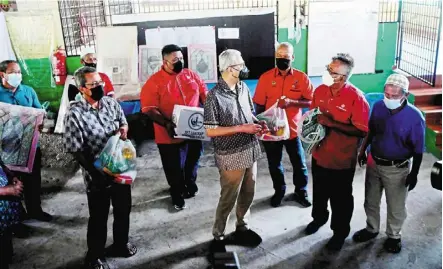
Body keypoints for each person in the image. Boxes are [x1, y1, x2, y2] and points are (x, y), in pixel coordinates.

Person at [63, 66, 136, 269]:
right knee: (99, 216)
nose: (99, 87)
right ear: (81, 89)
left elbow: (123, 122)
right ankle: (94, 255)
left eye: (100, 82)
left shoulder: (111, 104)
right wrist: (95, 173)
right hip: (97, 174)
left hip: (120, 168)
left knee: (123, 209)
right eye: (93, 84)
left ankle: (121, 244)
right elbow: (75, 149)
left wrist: (124, 129)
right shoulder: (74, 114)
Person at [352, 74, 425, 253]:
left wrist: (414, 174)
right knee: (371, 200)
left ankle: (394, 236)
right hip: (374, 162)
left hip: (397, 168)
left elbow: (418, 150)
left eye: (394, 95)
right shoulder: (378, 106)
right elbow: (372, 130)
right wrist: (362, 150)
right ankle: (372, 228)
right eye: (386, 94)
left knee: (396, 205)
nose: (389, 98)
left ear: (405, 95)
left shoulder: (415, 117)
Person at [204, 49, 265, 254]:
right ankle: (219, 234)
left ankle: (242, 226)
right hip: (230, 155)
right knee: (229, 196)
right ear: (230, 69)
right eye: (241, 65)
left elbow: (250, 115)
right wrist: (242, 128)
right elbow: (210, 130)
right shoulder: (213, 96)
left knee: (249, 192)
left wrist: (260, 123)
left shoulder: (243, 88)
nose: (244, 68)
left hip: (251, 150)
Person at [305, 53, 369, 251]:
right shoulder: (320, 91)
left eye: (331, 70)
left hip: (341, 160)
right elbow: (314, 116)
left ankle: (339, 232)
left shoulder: (356, 98)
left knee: (341, 199)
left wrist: (332, 123)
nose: (327, 72)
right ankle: (318, 218)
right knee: (320, 192)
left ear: (342, 76)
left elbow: (362, 130)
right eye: (328, 67)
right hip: (319, 155)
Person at [140, 44, 208, 210]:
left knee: (193, 160)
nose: (180, 62)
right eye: (175, 60)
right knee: (173, 166)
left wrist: (210, 112)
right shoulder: (154, 82)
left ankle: (190, 184)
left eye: (181, 58)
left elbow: (204, 94)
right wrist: (166, 123)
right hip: (169, 133)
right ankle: (176, 192)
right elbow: (149, 109)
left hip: (194, 129)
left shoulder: (191, 75)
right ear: (165, 61)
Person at [253, 42, 313, 208]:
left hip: (292, 130)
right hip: (272, 130)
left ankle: (301, 191)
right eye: (279, 57)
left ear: (292, 58)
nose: (282, 60)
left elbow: (310, 101)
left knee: (299, 163)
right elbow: (258, 105)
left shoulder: (301, 78)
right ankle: (279, 190)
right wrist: (260, 126)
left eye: (286, 57)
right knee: (274, 163)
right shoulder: (266, 78)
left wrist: (292, 102)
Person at [0, 60, 52, 223]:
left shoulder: (28, 91)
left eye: (19, 72)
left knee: (33, 180)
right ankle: (18, 218)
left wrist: (43, 122)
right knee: (12, 181)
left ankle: (35, 210)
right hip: (6, 147)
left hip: (31, 146)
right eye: (13, 72)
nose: (18, 75)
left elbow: (39, 112)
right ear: (3, 74)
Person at [0, 157, 23, 269]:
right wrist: (5, 190)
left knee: (5, 249)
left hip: (4, 217)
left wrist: (12, 176)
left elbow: (1, 165)